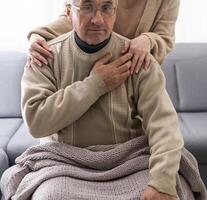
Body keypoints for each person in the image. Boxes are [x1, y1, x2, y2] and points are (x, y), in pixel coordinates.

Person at [18, 0, 188, 199]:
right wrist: (95, 84)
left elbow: (164, 126)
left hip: (129, 161)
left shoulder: (140, 59)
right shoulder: (44, 56)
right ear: (68, 11)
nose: (98, 19)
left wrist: (161, 183)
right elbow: (36, 123)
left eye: (107, 8)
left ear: (115, 12)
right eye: (87, 7)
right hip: (63, 163)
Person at [27, 0, 180, 74]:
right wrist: (38, 36)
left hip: (135, 75)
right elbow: (73, 17)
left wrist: (148, 39)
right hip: (93, 69)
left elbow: (165, 38)